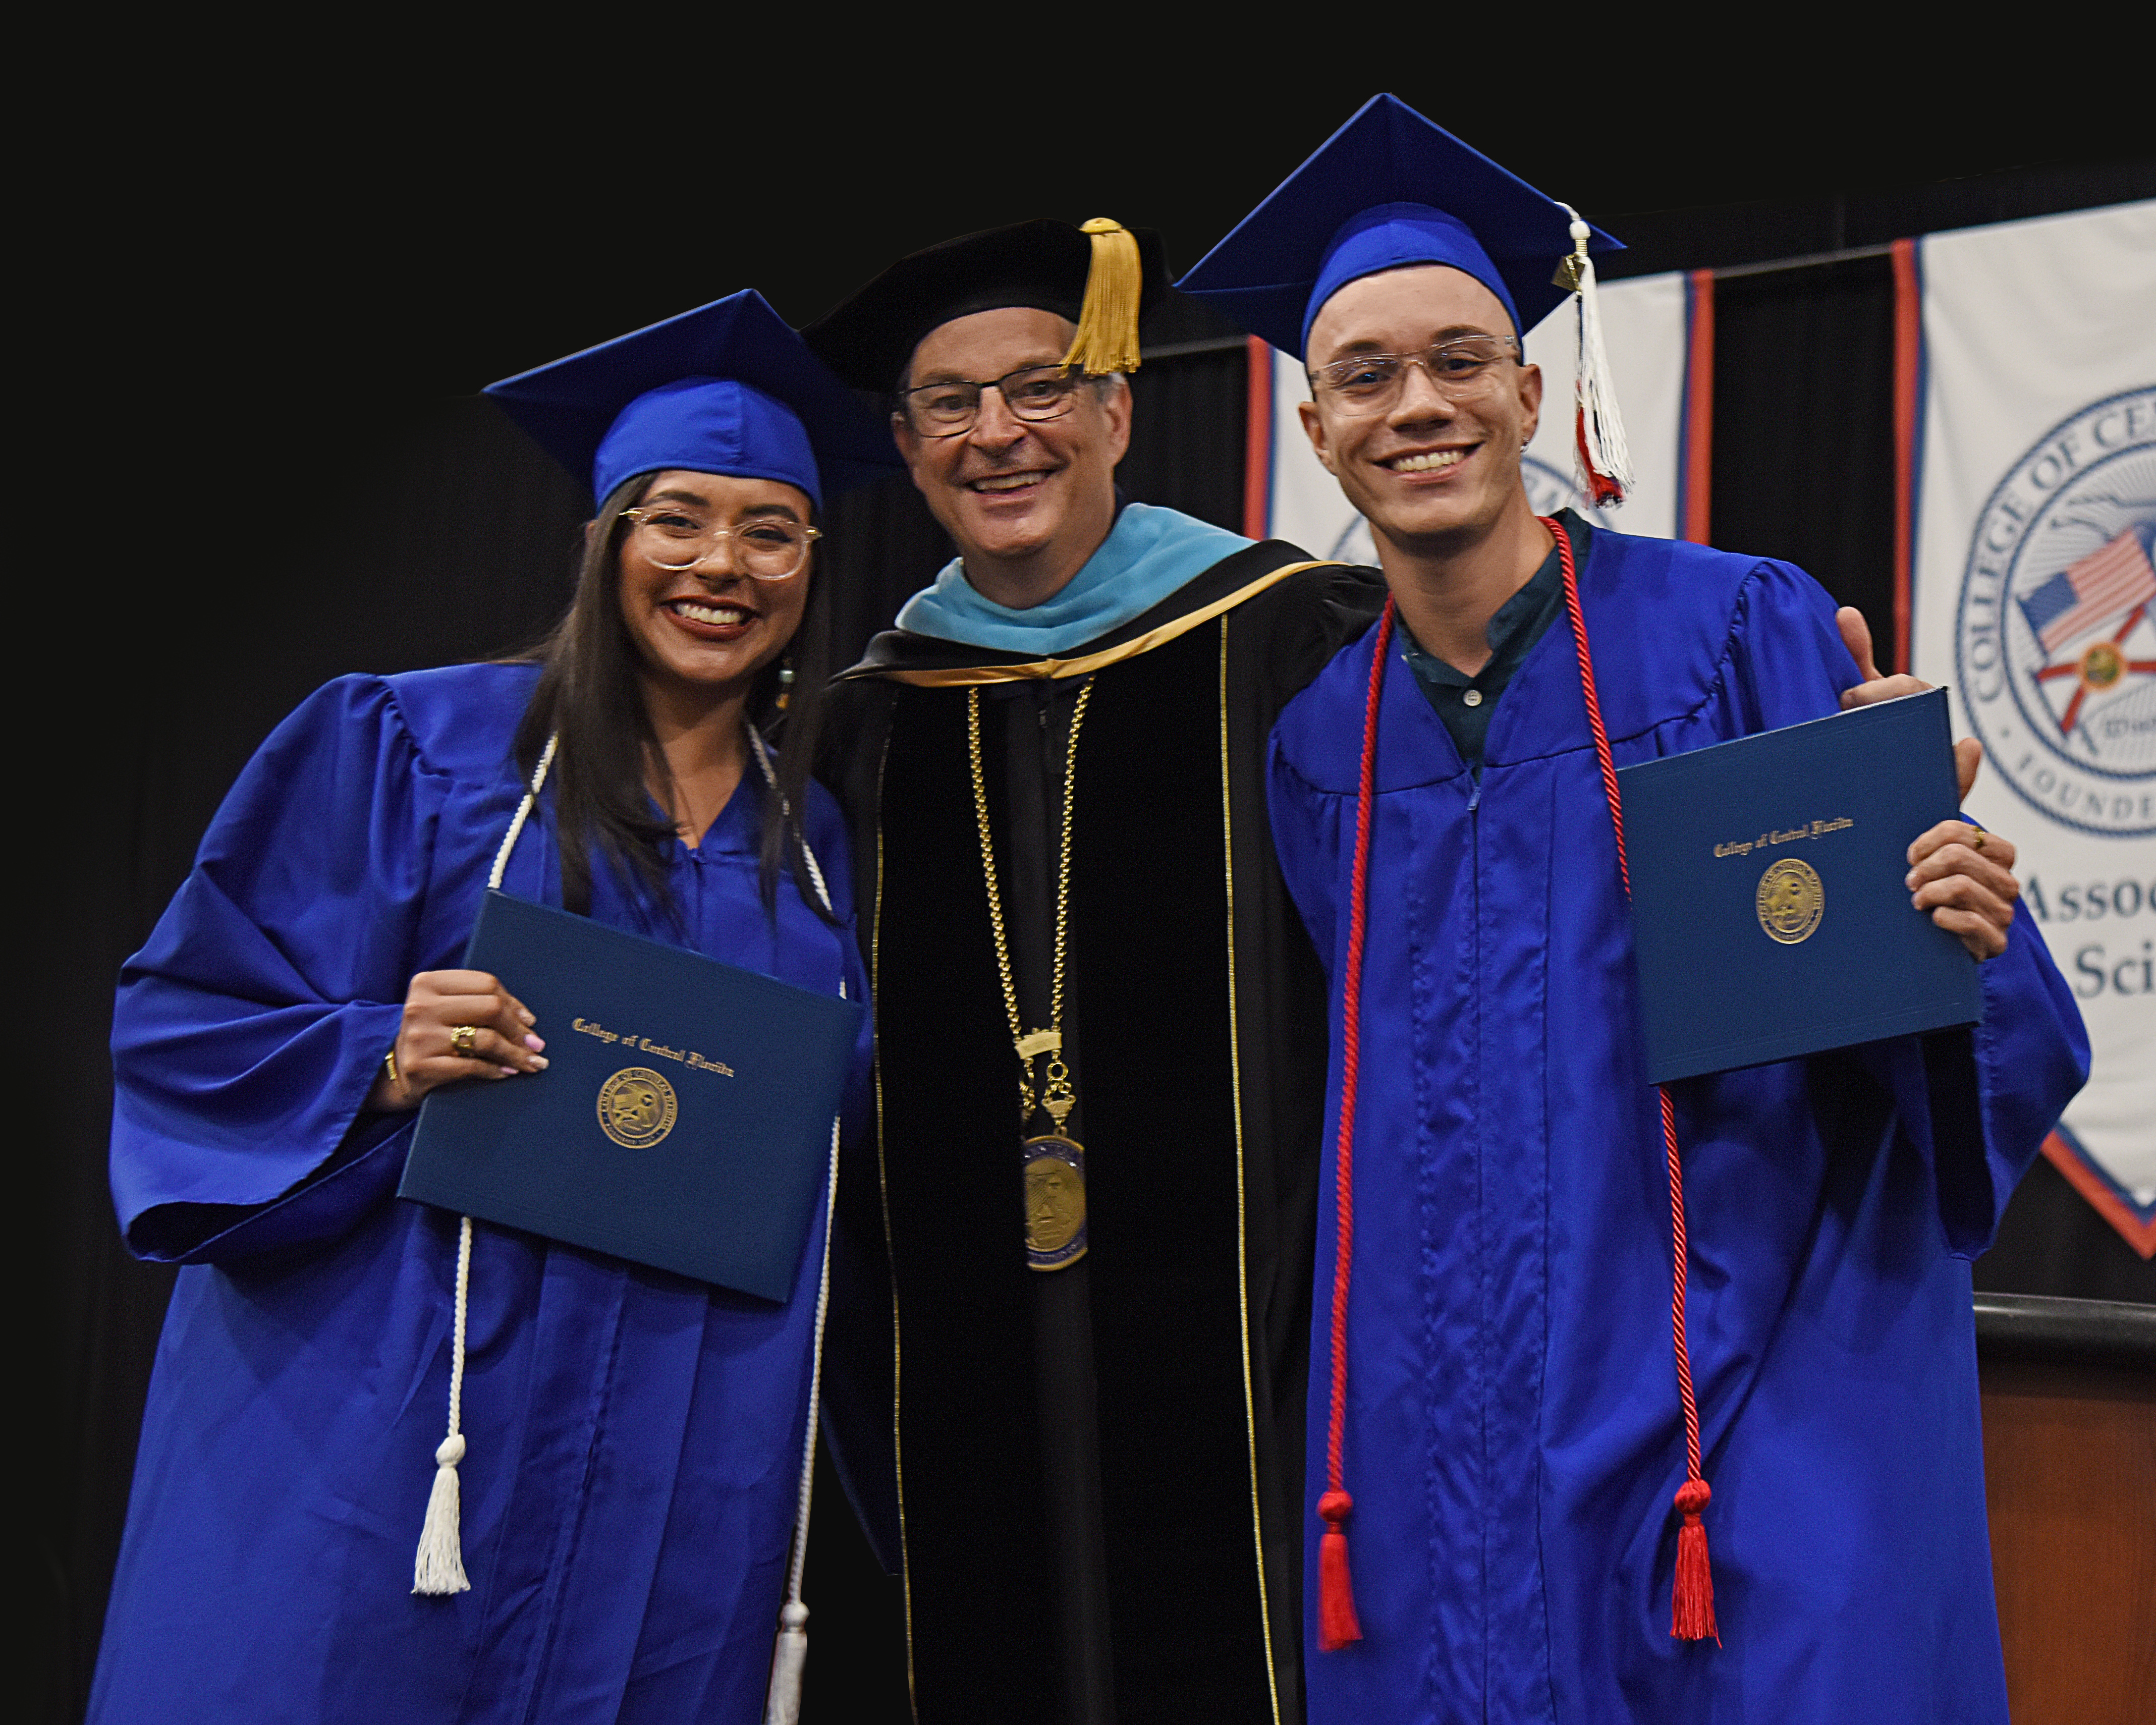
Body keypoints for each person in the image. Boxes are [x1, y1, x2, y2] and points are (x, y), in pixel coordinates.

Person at [1177, 95, 2090, 1724]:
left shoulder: (1731, 629)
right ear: (1314, 432)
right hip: (1447, 1417)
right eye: (1367, 375)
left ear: (1530, 391)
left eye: (1461, 359)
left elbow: (1925, 1021)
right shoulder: (1320, 749)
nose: (1420, 404)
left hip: (1745, 1380)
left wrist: (1961, 912)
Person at [90, 291, 898, 1723]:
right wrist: (378, 1056)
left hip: (683, 1443)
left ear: (812, 564)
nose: (721, 564)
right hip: (394, 1415)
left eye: (769, 529)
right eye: (677, 518)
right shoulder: (410, 741)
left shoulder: (820, 845)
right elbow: (189, 1019)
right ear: (605, 542)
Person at [802, 218, 1386, 1725]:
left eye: (1043, 385)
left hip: (1269, 1393)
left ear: (1117, 409)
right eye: (951, 401)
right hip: (957, 1392)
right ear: (907, 443)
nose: (998, 431)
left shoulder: (1295, 639)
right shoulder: (860, 728)